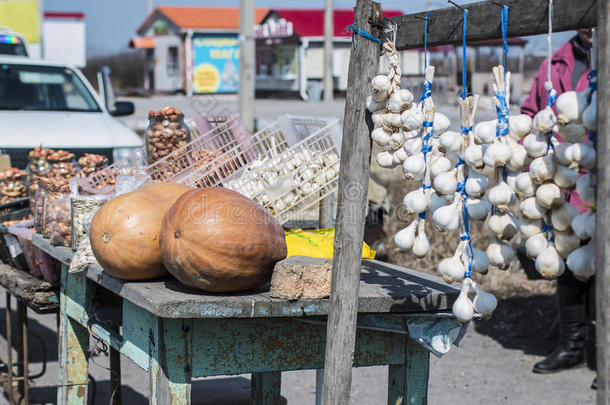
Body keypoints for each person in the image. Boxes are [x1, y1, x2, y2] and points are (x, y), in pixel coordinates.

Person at [520, 28, 596, 383]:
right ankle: (573, 344)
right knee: (567, 266)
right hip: (563, 185)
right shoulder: (556, 62)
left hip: (601, 182)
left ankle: (603, 351)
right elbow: (530, 112)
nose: (591, 29)